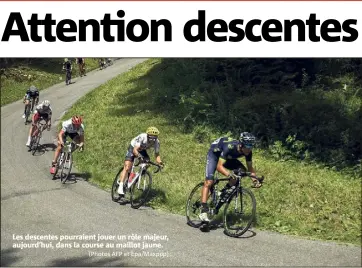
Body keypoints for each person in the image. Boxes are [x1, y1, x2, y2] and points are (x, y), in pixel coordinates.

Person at [198, 132, 262, 223]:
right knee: (209, 182)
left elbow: (250, 168)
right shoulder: (230, 147)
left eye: (251, 147)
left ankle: (223, 192)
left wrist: (255, 180)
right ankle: (203, 209)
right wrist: (228, 174)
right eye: (247, 147)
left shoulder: (248, 152)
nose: (249, 150)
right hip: (214, 155)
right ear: (241, 145)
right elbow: (219, 166)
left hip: (228, 158)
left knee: (241, 172)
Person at [117, 127, 164, 197]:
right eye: (151, 137)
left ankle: (136, 176)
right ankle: (120, 186)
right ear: (147, 136)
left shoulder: (157, 142)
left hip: (142, 150)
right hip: (133, 148)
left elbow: (157, 154)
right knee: (127, 167)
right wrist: (139, 157)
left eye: (154, 138)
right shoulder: (142, 137)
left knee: (147, 163)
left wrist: (160, 162)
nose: (152, 140)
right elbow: (135, 150)